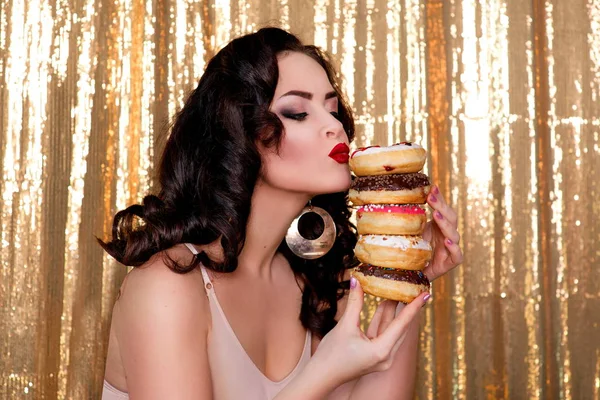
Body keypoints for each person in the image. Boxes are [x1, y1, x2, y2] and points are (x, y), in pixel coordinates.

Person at [100, 27, 462, 400]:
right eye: (298, 112)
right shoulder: (168, 285)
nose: (335, 127)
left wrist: (406, 276)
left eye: (333, 109)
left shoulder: (315, 281)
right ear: (238, 135)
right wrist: (322, 374)